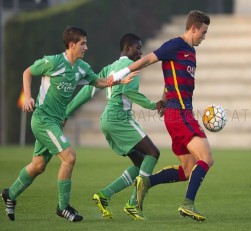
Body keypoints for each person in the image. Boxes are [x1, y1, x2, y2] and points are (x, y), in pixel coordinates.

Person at [0, 26, 136, 222]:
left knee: (38, 166)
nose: (86, 47)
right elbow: (27, 72)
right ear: (71, 45)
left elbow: (98, 82)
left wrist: (120, 81)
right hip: (43, 119)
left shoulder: (82, 67)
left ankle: (10, 194)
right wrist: (28, 96)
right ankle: (63, 207)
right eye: (83, 43)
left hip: (55, 122)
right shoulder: (53, 61)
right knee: (69, 157)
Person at [110, 10, 213, 222]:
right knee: (207, 158)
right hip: (180, 114)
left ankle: (146, 182)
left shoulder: (191, 52)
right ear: (193, 28)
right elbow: (148, 58)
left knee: (186, 170)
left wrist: (163, 100)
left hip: (178, 113)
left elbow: (170, 80)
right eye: (203, 33)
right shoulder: (175, 45)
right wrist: (121, 74)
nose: (204, 37)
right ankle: (187, 204)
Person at [65, 33, 165, 220]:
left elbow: (89, 90)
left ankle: (104, 195)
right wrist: (154, 105)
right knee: (154, 153)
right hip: (120, 119)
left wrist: (67, 111)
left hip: (107, 120)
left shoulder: (110, 67)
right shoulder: (130, 68)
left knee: (141, 162)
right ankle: (134, 203)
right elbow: (130, 92)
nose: (140, 51)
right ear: (127, 48)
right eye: (137, 47)